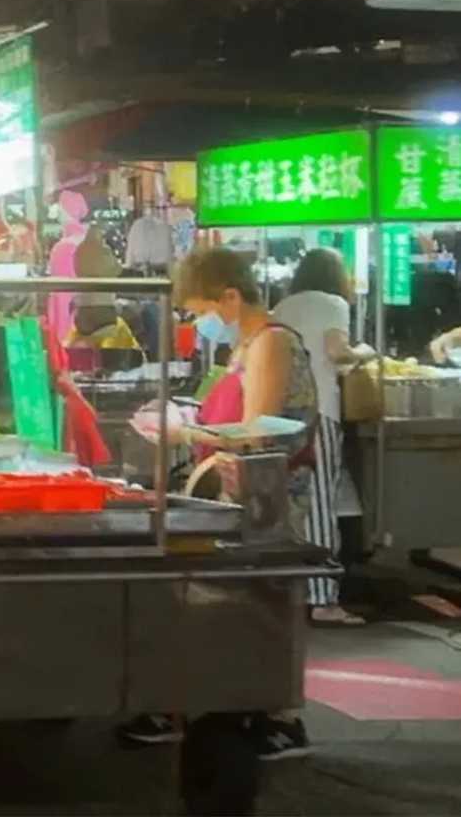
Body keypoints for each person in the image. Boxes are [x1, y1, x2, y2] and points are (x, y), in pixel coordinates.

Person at [120, 247, 318, 759]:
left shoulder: (272, 343)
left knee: (260, 605)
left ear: (230, 296)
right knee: (224, 607)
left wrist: (182, 433)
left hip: (266, 500)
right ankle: (211, 704)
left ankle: (274, 718)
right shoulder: (244, 346)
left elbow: (256, 434)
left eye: (201, 310)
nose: (199, 322)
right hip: (233, 495)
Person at [274, 248, 371, 623]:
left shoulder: (284, 306)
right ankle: (322, 597)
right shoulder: (333, 303)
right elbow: (337, 352)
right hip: (320, 413)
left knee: (295, 502)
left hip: (283, 416)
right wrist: (364, 352)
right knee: (319, 504)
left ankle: (291, 588)